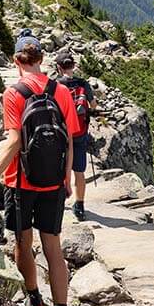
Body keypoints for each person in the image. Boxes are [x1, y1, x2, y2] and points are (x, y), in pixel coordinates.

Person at [0, 29, 79, 306]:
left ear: (15, 60)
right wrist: (67, 177)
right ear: (42, 59)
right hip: (54, 183)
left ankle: (36, 302)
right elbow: (69, 139)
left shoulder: (13, 93)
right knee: (53, 248)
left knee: (22, 242)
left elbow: (15, 140)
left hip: (20, 182)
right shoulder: (62, 92)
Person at [54, 51, 96, 221]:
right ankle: (80, 205)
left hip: (61, 133)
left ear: (58, 67)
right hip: (79, 132)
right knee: (79, 171)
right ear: (73, 66)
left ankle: (58, 200)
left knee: (59, 168)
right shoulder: (83, 83)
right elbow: (93, 105)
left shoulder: (55, 84)